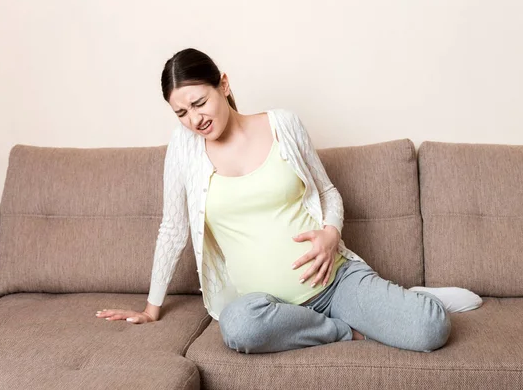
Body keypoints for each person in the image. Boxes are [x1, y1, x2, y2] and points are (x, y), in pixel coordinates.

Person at [95, 48, 483, 353]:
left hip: (334, 282)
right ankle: (349, 331)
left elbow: (328, 192)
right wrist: (151, 308)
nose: (194, 119)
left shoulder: (282, 124)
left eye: (199, 103)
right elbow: (173, 228)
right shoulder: (183, 150)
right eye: (181, 112)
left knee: (431, 328)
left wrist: (331, 235)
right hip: (266, 306)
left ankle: (406, 301)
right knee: (238, 328)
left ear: (224, 85)